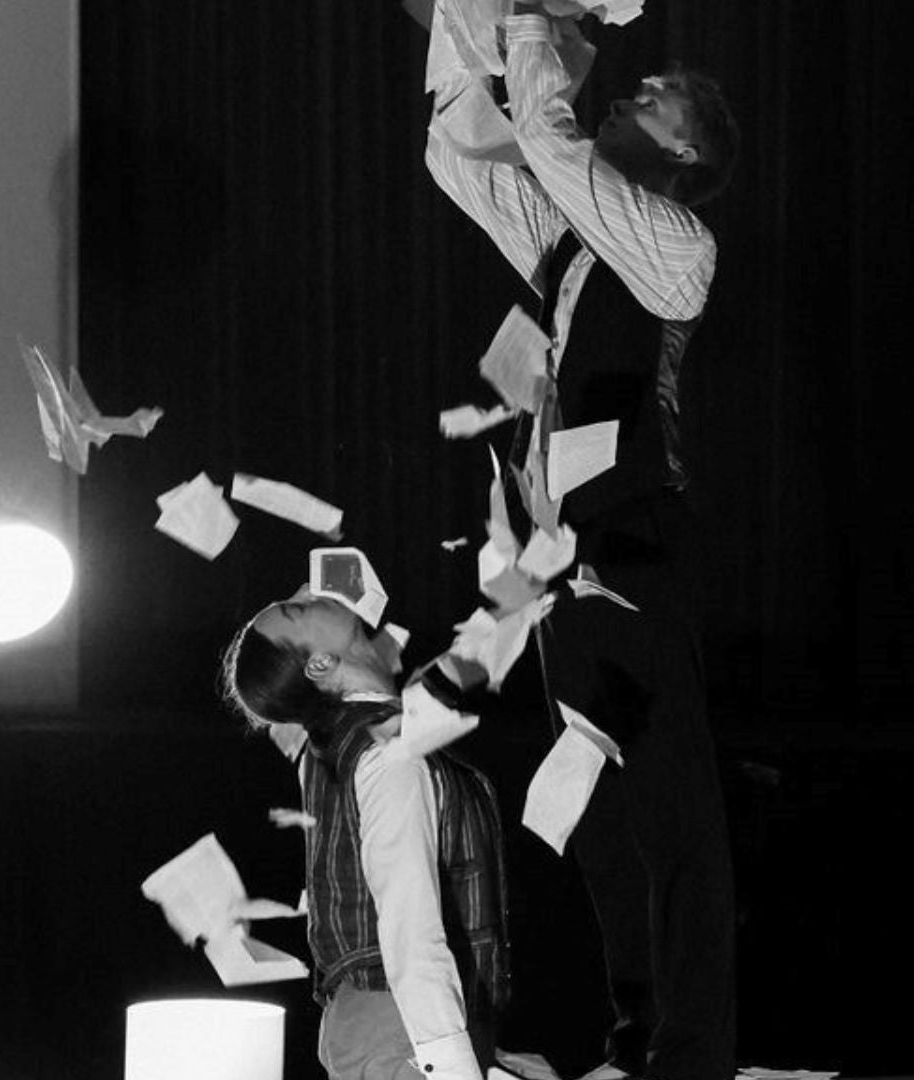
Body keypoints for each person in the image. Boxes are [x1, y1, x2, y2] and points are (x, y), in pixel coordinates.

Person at [422, 6, 741, 1080]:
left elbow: (552, 142)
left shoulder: (677, 248)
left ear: (684, 152)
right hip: (560, 557)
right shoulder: (570, 242)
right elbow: (456, 152)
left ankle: (690, 1050)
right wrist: (473, 20)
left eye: (655, 101)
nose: (628, 95)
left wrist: (534, 24)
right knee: (597, 810)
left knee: (669, 808)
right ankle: (633, 1035)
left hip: (635, 546)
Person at [220, 586, 510, 1080]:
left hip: (390, 1026)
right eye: (298, 608)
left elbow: (438, 682)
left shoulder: (350, 738)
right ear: (319, 665)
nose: (313, 593)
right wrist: (455, 1068)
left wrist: (519, 596)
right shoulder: (382, 756)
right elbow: (409, 922)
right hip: (403, 1028)